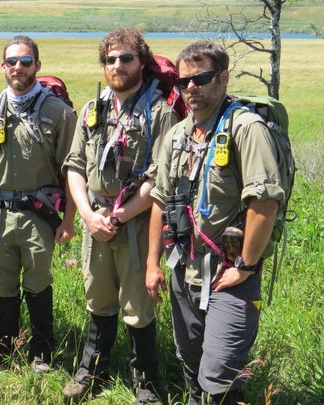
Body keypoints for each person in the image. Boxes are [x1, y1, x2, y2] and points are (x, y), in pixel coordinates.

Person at [145, 41, 283, 405]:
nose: (191, 87)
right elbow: (160, 199)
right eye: (184, 81)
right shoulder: (176, 135)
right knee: (190, 360)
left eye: (201, 78)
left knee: (219, 374)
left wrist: (245, 265)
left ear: (222, 78)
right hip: (182, 268)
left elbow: (265, 200)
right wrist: (151, 264)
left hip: (228, 274)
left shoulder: (245, 128)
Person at [62, 28, 181, 403]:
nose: (117, 65)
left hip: (138, 224)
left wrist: (120, 216)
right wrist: (87, 215)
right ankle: (91, 371)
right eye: (110, 59)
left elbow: (159, 179)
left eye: (126, 57)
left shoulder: (160, 114)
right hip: (95, 220)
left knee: (138, 305)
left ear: (142, 62)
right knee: (97, 298)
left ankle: (145, 380)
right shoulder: (92, 109)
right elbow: (75, 166)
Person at [0, 36, 77, 374]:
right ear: (3, 67)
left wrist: (69, 219)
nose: (18, 67)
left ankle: (41, 353)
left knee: (38, 281)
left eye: (26, 61)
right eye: (12, 61)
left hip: (38, 215)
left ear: (37, 66)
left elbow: (73, 170)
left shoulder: (58, 113)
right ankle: (4, 352)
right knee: (1, 282)